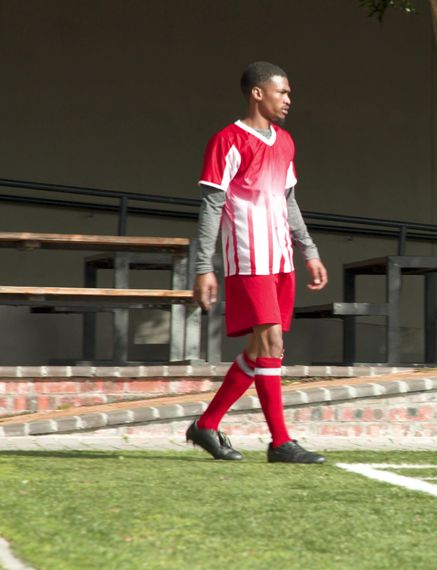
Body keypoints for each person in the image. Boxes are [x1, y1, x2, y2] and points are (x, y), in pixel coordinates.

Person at [185, 61, 328, 464]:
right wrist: (203, 266)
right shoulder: (227, 140)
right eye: (282, 92)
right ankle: (281, 442)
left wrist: (309, 250)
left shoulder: (285, 142)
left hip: (282, 259)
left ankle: (206, 425)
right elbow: (211, 207)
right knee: (273, 344)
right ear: (257, 93)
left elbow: (289, 201)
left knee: (259, 349)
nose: (289, 100)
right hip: (248, 258)